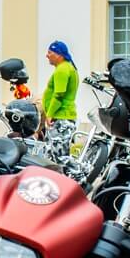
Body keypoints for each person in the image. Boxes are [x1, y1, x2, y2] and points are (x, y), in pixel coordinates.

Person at [40, 39, 79, 168]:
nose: (47, 55)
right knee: (50, 156)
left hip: (61, 117)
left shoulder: (62, 70)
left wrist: (50, 114)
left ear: (59, 55)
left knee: (60, 157)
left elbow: (59, 95)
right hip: (62, 117)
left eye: (50, 52)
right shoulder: (66, 67)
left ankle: (81, 174)